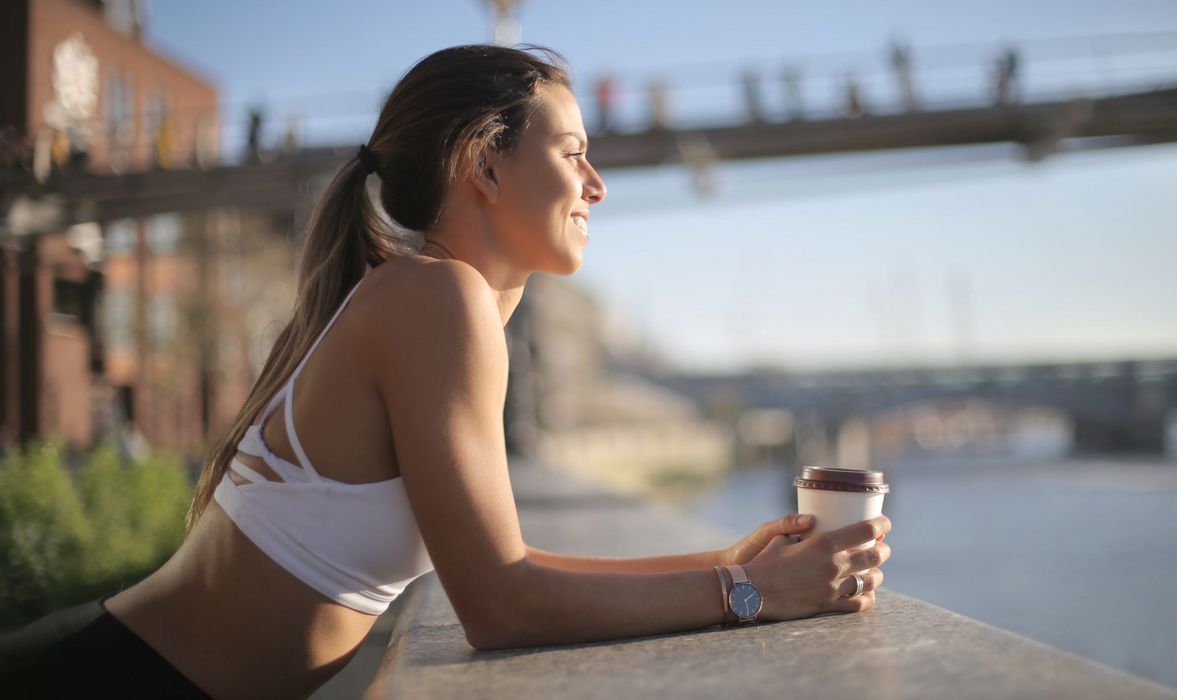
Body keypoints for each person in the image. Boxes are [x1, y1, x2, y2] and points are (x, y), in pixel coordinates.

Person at [0, 44, 891, 698]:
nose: (598, 184)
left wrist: (728, 560)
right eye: (573, 150)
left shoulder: (428, 299)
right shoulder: (439, 301)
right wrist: (744, 597)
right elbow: (501, 604)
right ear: (485, 164)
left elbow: (507, 561)